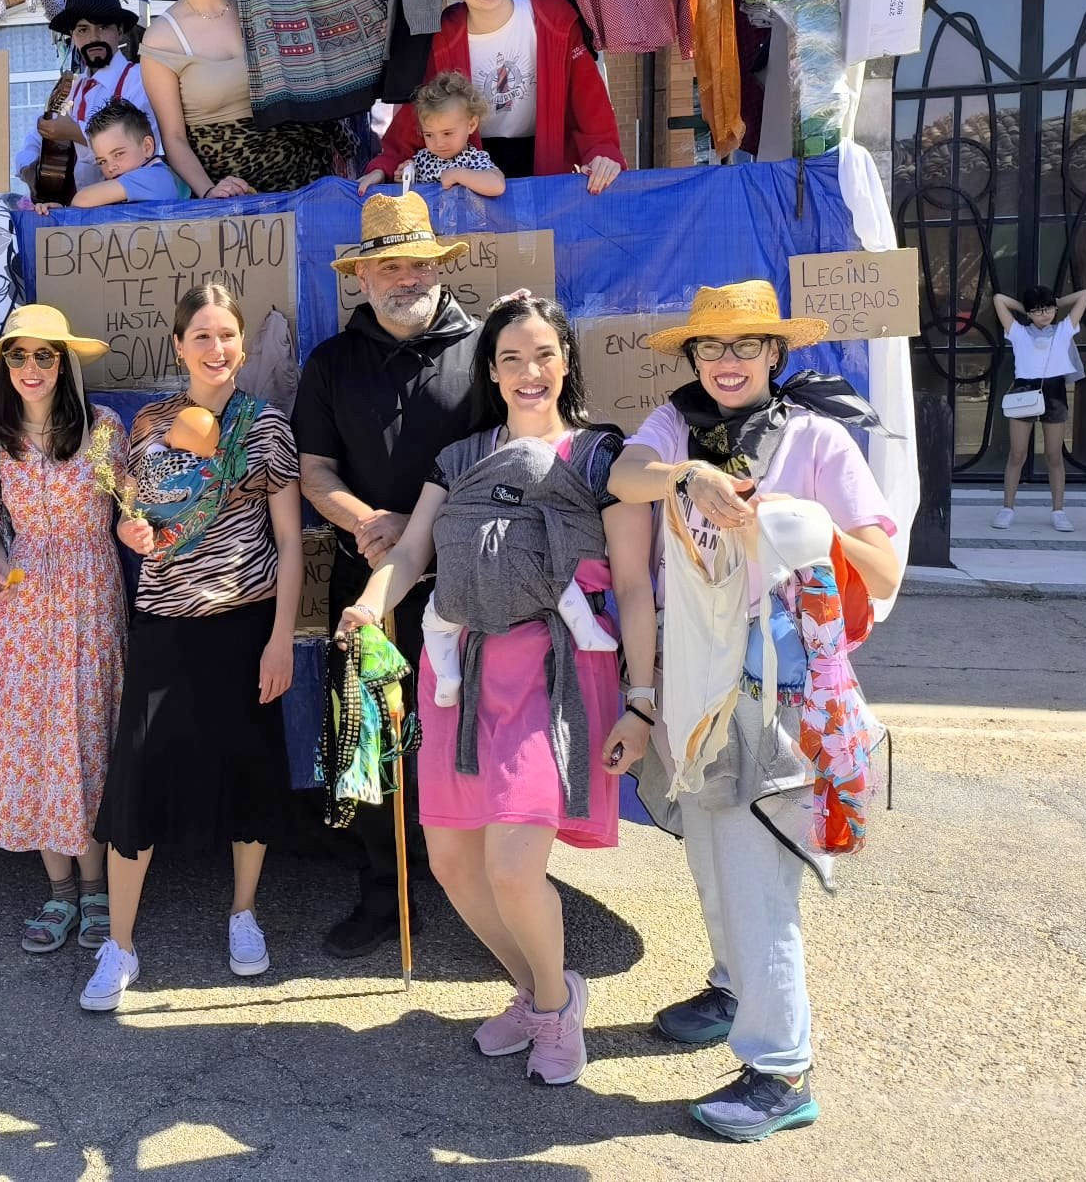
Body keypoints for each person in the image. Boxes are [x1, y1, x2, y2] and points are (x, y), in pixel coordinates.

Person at [335, 291, 655, 1088]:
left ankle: (554, 1003)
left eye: (543, 354)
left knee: (513, 866)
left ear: (566, 360)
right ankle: (537, 989)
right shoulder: (460, 457)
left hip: (555, 677)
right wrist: (372, 601)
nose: (528, 371)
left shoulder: (598, 457)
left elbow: (634, 588)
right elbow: (410, 555)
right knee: (453, 865)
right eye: (510, 357)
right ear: (491, 369)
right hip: (464, 678)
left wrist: (642, 698)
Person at [609, 280, 903, 1143]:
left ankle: (781, 1069)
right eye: (712, 348)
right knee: (708, 852)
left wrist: (808, 525)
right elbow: (627, 476)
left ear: (776, 355)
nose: (728, 362)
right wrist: (691, 474)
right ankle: (734, 983)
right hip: (695, 681)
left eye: (746, 347)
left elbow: (883, 574)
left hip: (783, 697)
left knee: (755, 873)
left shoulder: (818, 440)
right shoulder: (674, 428)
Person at [80, 285, 303, 1013]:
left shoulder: (266, 426)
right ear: (178, 346)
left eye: (226, 335)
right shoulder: (147, 423)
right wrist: (130, 533)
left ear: (242, 344)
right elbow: (136, 520)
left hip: (243, 626)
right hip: (163, 626)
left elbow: (291, 544)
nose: (215, 349)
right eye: (200, 336)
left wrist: (280, 642)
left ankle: (243, 914)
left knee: (248, 774)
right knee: (137, 781)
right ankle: (121, 945)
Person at [295, 191, 482, 959]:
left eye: (416, 263)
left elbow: (515, 457)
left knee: (469, 738)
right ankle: (384, 886)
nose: (405, 279)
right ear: (362, 279)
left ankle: (477, 889)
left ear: (438, 269)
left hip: (474, 585)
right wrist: (369, 522)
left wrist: (424, 531)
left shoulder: (487, 351)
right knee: (365, 736)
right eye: (388, 266)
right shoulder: (332, 362)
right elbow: (312, 470)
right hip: (363, 578)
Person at [0, 305, 129, 953]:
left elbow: (131, 508)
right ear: (5, 366)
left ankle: (96, 890)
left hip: (92, 598)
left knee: (86, 737)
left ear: (65, 363)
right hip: (26, 605)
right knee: (32, 740)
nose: (31, 367)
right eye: (18, 355)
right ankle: (60, 892)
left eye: (44, 355)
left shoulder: (104, 430)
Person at [371, 0, 625, 192]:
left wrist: (603, 153)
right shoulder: (440, 38)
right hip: (470, 168)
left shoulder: (557, 19)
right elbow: (420, 111)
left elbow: (589, 102)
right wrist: (385, 165)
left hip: (543, 160)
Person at [139, 0, 352, 199]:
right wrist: (209, 190)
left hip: (310, 180)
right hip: (235, 196)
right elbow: (174, 138)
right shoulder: (160, 38)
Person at [11, 0, 161, 197]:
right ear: (73, 36)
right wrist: (30, 169)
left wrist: (75, 133)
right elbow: (35, 137)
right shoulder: (70, 88)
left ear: (119, 31)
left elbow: (140, 149)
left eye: (103, 27)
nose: (93, 38)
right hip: (74, 215)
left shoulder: (140, 80)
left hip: (127, 211)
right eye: (83, 29)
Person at [992, 284, 1086, 531]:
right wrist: (1025, 309)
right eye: (1037, 311)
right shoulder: (1018, 332)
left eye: (1048, 309)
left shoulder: (1064, 329)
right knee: (1017, 453)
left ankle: (1058, 511)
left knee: (1054, 455)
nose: (1044, 314)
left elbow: (1084, 295)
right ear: (1029, 313)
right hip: (1024, 391)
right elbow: (999, 299)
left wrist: (1056, 301)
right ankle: (1007, 508)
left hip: (1054, 392)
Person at [363, 71, 507, 198]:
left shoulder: (472, 159)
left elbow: (497, 184)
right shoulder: (422, 159)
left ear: (471, 125)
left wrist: (459, 174)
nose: (438, 143)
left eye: (447, 133)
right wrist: (403, 176)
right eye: (429, 135)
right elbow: (406, 188)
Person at [33, 98, 185, 212]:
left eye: (118, 154)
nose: (110, 167)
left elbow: (82, 199)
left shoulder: (154, 177)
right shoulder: (126, 186)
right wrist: (62, 212)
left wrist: (70, 211)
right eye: (102, 161)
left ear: (147, 147)